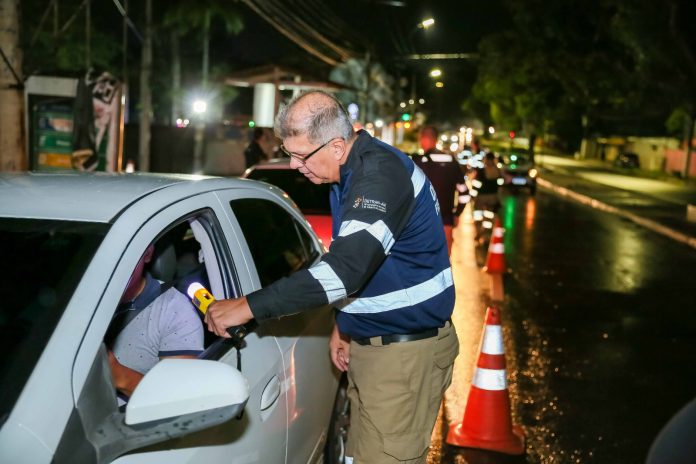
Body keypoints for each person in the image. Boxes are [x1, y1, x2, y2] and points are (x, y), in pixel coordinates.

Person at [206, 90, 459, 463]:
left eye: (300, 155)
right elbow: (360, 261)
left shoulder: (379, 177)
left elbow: (346, 270)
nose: (294, 165)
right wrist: (345, 323)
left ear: (337, 146)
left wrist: (247, 307)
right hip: (379, 349)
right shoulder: (348, 173)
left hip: (405, 357)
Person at [106, 244, 204, 400]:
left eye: (126, 254)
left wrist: (119, 376)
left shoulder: (174, 310)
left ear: (148, 254)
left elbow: (181, 399)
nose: (116, 265)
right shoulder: (72, 300)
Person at [416, 125, 470, 255]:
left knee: (420, 264)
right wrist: (457, 214)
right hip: (445, 221)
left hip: (420, 223)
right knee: (442, 264)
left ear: (422, 139)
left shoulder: (417, 163)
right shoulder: (451, 161)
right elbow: (464, 193)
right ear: (436, 140)